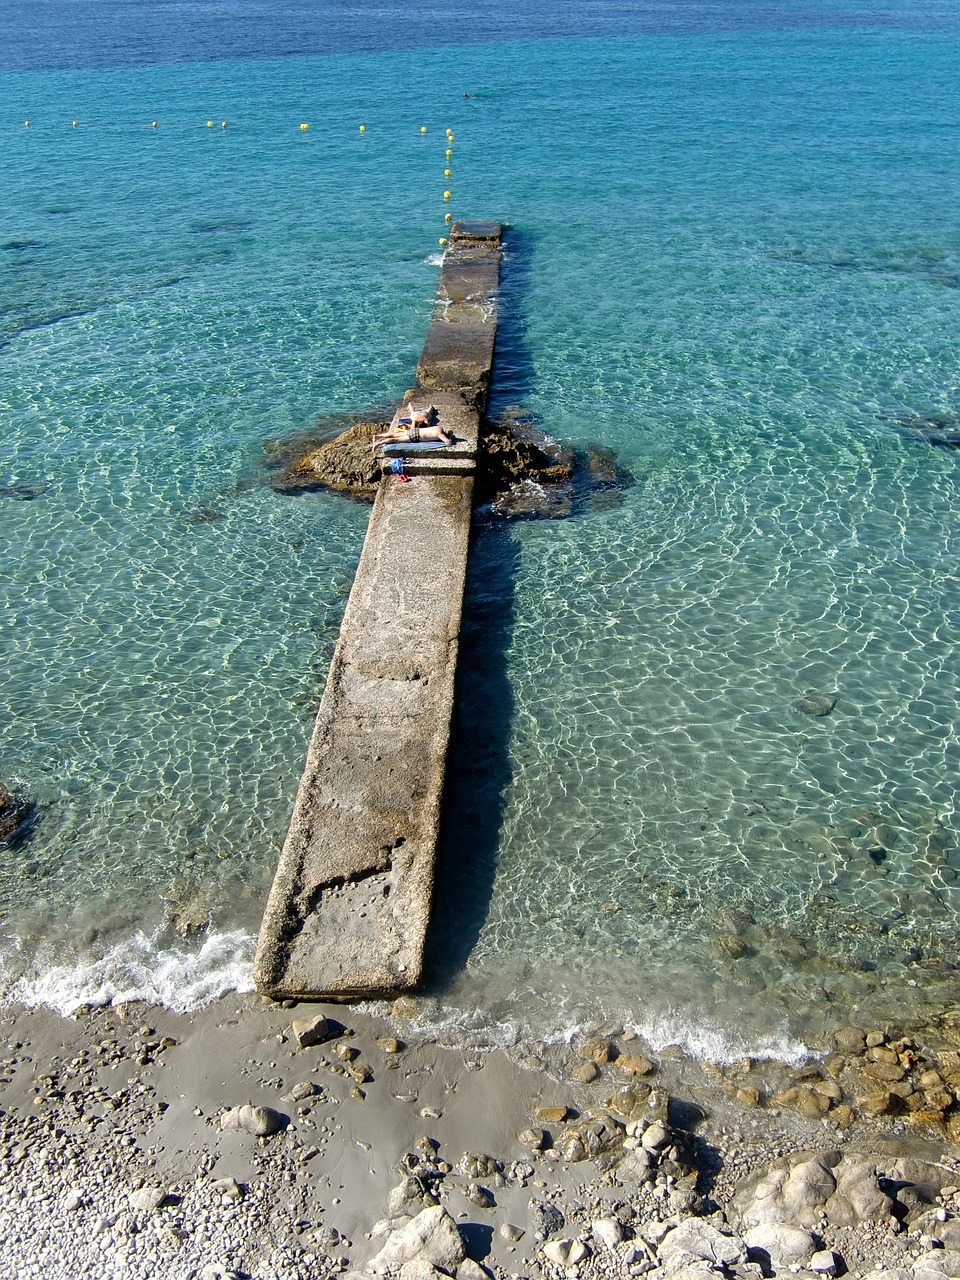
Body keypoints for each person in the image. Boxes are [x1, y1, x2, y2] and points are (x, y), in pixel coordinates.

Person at [371, 405, 453, 450]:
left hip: (416, 430)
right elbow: (448, 443)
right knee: (396, 439)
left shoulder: (438, 428)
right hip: (415, 436)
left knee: (395, 434)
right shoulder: (440, 434)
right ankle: (379, 443)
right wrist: (449, 440)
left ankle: (378, 436)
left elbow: (427, 426)